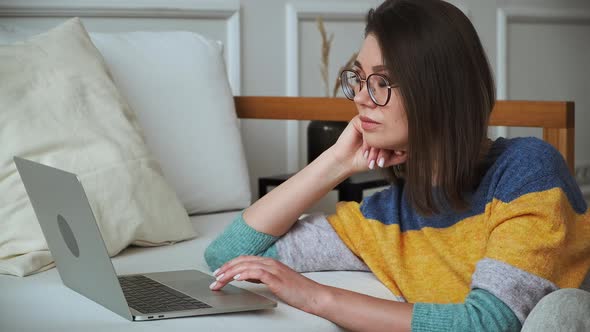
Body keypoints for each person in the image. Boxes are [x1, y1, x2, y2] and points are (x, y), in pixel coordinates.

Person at [204, 0, 590, 330]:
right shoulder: (384, 219)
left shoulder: (527, 172)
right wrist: (335, 162)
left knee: (560, 313)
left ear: (439, 94)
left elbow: (487, 322)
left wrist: (318, 298)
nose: (360, 97)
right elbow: (227, 258)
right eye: (358, 78)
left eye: (383, 82)